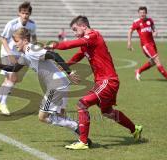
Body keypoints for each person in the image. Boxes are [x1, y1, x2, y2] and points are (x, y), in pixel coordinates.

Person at [47, 15, 142, 150]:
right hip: (106, 81)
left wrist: (55, 45)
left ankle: (83, 141)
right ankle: (135, 129)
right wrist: (64, 67)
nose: (74, 34)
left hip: (107, 81)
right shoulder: (87, 44)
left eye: (75, 30)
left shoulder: (93, 36)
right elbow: (78, 56)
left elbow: (70, 44)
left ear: (84, 26)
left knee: (82, 104)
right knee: (107, 112)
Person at [0, 28, 81, 136]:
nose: (15, 44)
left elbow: (55, 55)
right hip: (61, 83)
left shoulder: (31, 50)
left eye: (17, 41)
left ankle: (76, 126)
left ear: (25, 40)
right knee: (60, 116)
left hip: (57, 85)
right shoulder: (25, 55)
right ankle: (82, 136)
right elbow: (14, 69)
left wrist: (69, 72)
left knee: (43, 117)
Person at [0, 1, 37, 115]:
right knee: (13, 78)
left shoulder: (32, 25)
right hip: (7, 52)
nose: (25, 15)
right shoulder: (11, 24)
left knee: (9, 80)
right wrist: (10, 54)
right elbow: (2, 38)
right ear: (19, 13)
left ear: (30, 14)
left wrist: (32, 51)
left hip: (20, 52)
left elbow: (33, 39)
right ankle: (3, 103)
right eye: (23, 13)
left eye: (27, 13)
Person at [127, 6, 167, 81]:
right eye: (141, 13)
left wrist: (155, 32)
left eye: (144, 13)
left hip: (152, 44)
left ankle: (138, 71)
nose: (142, 14)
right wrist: (129, 43)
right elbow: (130, 31)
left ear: (146, 13)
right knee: (157, 60)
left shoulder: (150, 20)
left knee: (153, 62)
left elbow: (154, 29)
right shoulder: (136, 22)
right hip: (146, 45)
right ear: (138, 13)